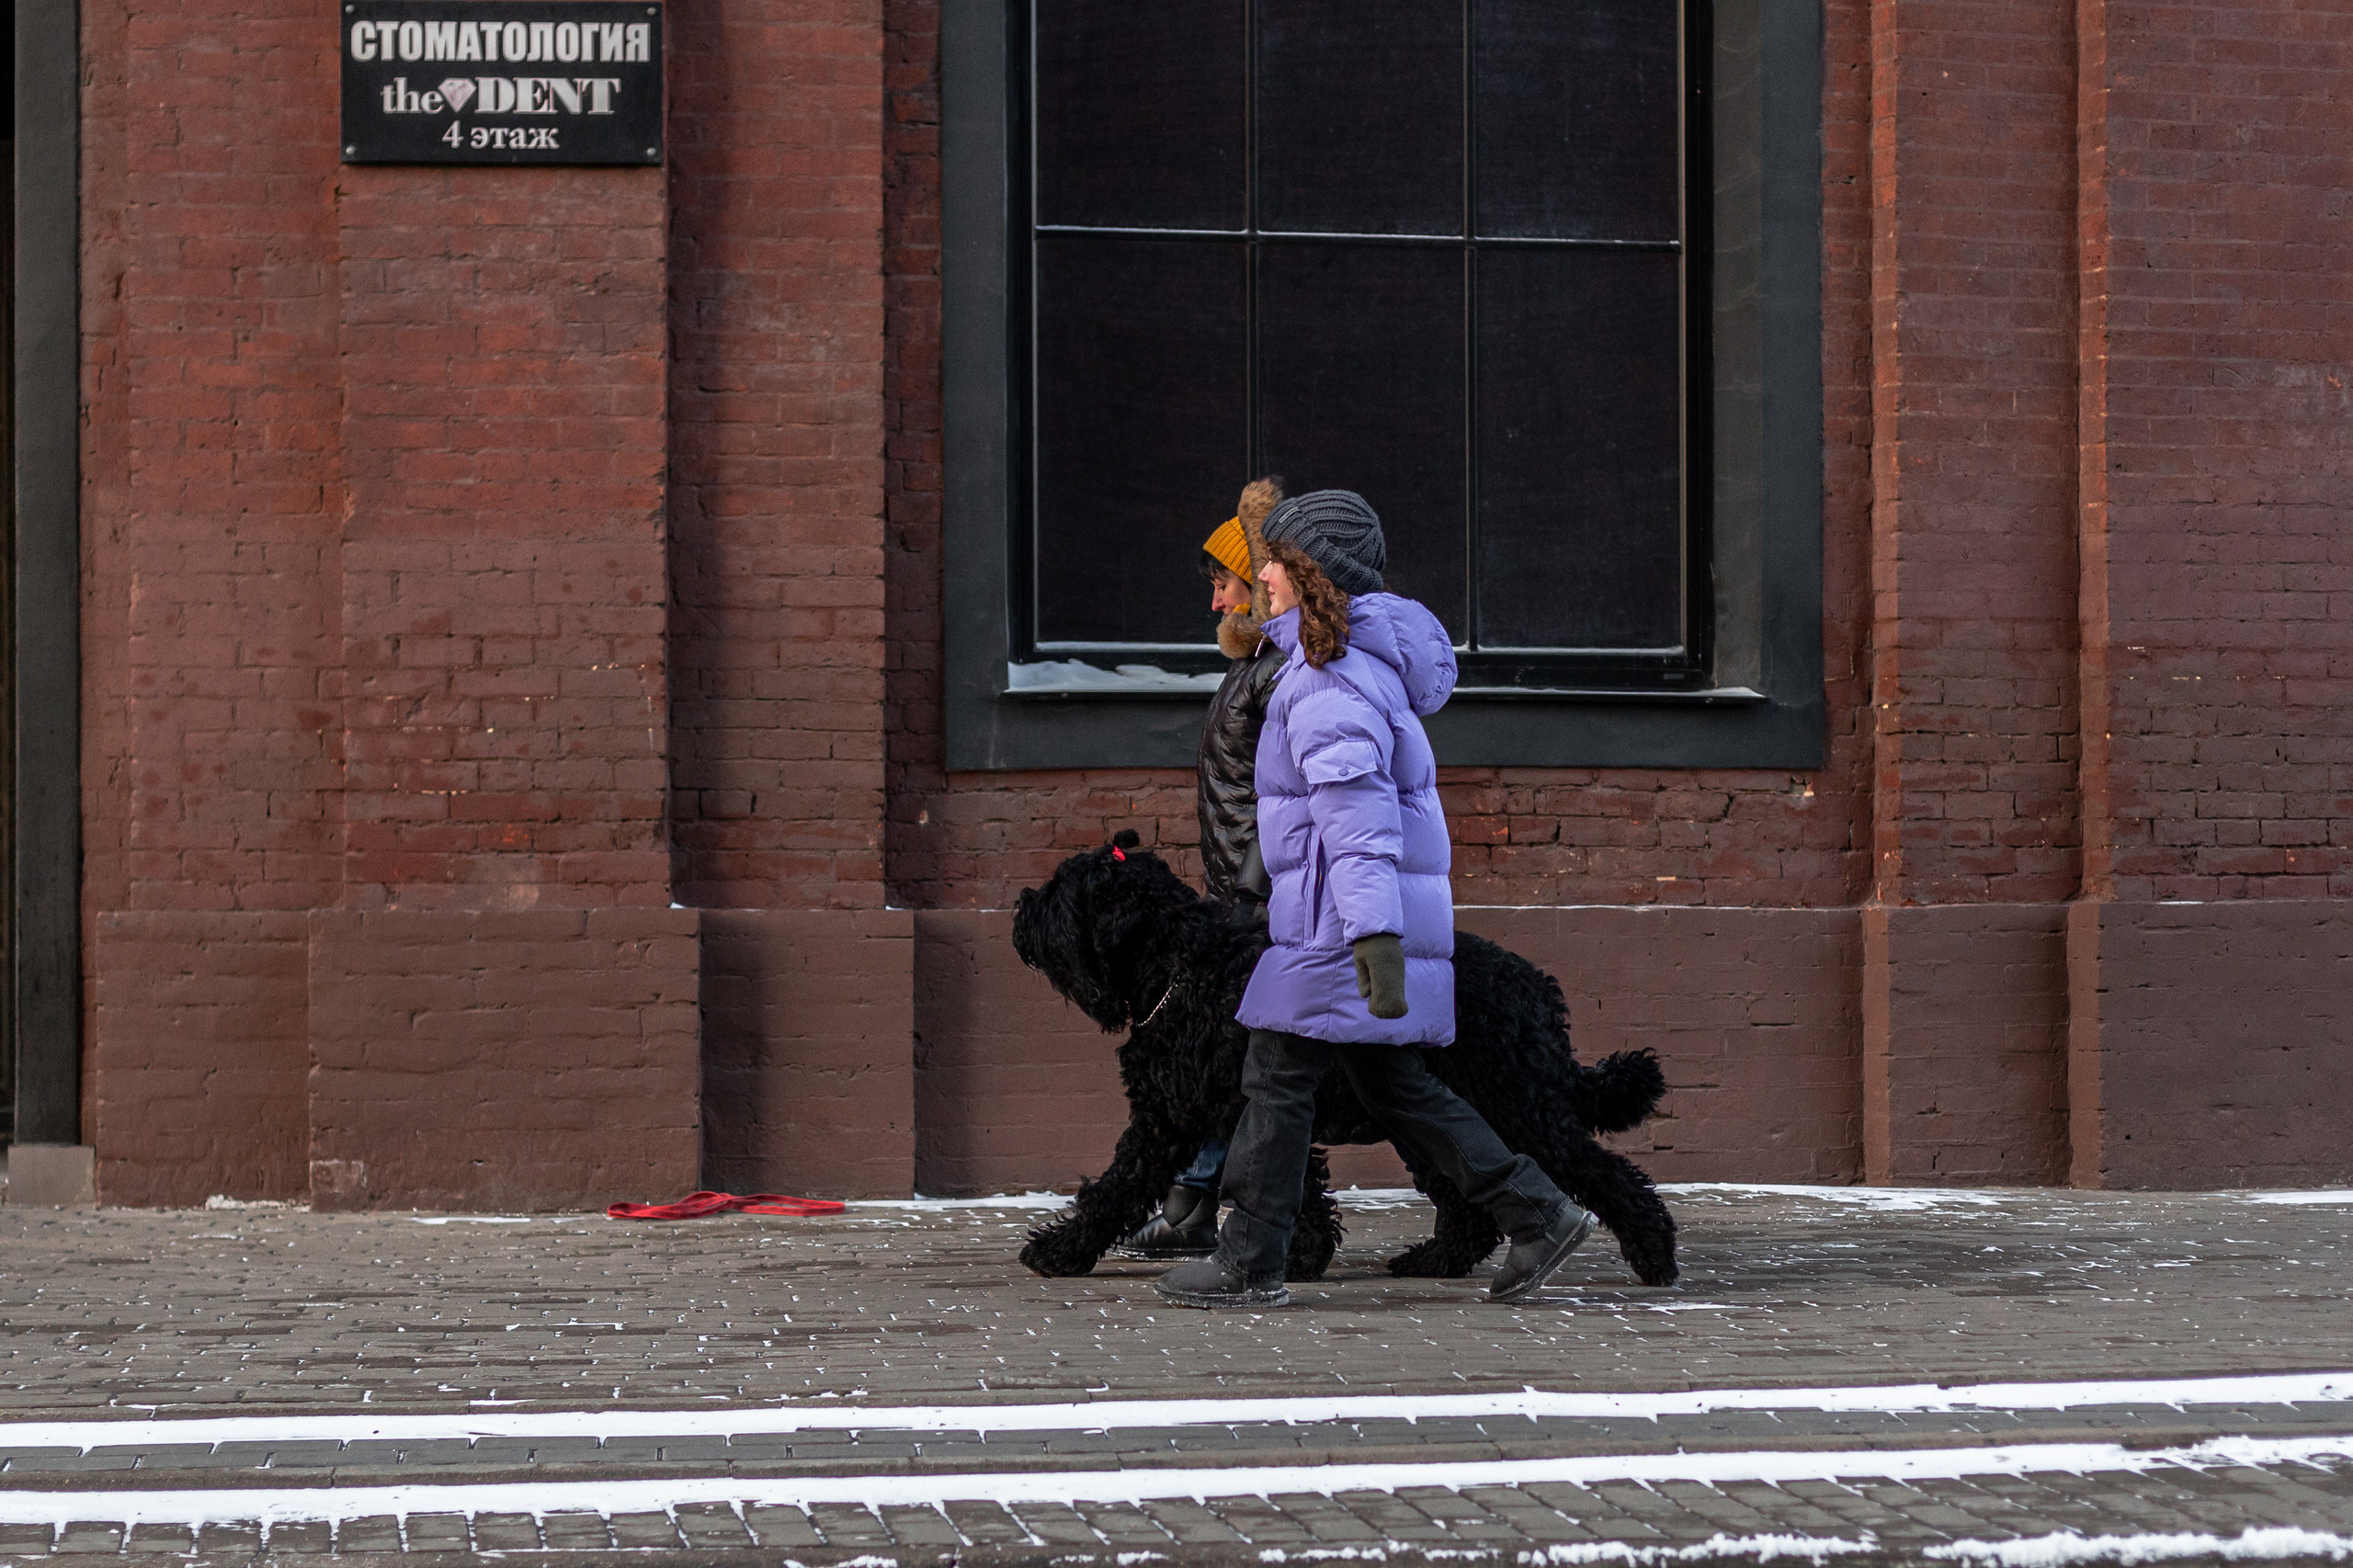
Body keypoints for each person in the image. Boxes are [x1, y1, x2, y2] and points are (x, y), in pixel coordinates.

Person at [1154, 490, 1597, 1309]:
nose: (1265, 576)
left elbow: (1358, 817)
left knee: (1276, 1074)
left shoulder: (1324, 679)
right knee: (1393, 1085)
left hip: (1339, 921)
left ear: (1312, 574)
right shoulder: (1342, 666)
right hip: (1340, 911)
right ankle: (1539, 1211)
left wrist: (1373, 938)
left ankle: (1251, 1259)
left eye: (1277, 561)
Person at [1116, 478, 1287, 1261]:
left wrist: (1252, 893)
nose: (1216, 603)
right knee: (1227, 1055)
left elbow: (1290, 791)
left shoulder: (1278, 672)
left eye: (1224, 584)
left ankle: (1200, 1204)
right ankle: (1193, 1201)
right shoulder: (1247, 671)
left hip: (1261, 903)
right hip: (1237, 898)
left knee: (1242, 1060)